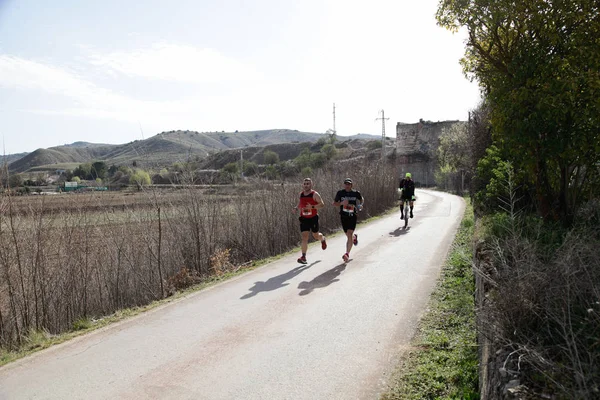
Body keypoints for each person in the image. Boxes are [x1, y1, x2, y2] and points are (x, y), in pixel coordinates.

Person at [293, 178, 327, 264]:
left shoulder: (315, 194)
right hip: (304, 218)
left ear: (311, 185)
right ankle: (303, 257)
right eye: (305, 184)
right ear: (302, 185)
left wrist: (312, 207)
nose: (306, 185)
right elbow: (300, 203)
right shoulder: (301, 194)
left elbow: (322, 204)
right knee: (304, 237)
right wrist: (296, 208)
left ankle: (322, 239)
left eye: (308, 183)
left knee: (315, 235)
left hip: (313, 218)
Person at [332, 178, 364, 263]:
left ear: (351, 185)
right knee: (348, 235)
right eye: (346, 184)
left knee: (349, 234)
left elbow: (361, 199)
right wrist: (342, 203)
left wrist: (360, 205)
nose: (347, 185)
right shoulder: (340, 193)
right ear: (344, 185)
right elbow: (334, 203)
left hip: (352, 215)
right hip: (343, 216)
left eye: (349, 184)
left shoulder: (355, 193)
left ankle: (347, 254)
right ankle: (354, 238)